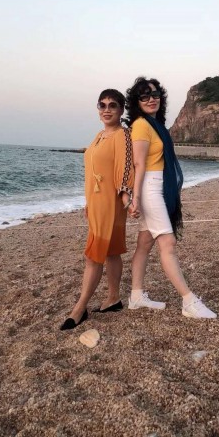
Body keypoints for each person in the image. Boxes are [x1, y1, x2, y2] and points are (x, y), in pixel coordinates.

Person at [125, 77, 217, 319]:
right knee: (168, 243)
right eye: (144, 96)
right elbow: (139, 164)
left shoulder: (156, 125)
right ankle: (188, 301)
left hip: (157, 186)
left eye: (155, 94)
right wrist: (135, 198)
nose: (151, 99)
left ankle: (136, 296)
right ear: (137, 102)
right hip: (149, 188)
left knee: (145, 243)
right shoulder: (141, 125)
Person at [60, 89, 135, 330]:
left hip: (110, 203)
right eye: (102, 105)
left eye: (113, 105)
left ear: (121, 109)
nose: (107, 109)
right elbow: (94, 172)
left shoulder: (123, 135)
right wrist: (88, 202)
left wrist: (127, 198)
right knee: (112, 251)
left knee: (92, 255)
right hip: (95, 203)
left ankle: (79, 308)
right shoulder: (99, 135)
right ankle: (114, 298)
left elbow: (125, 169)